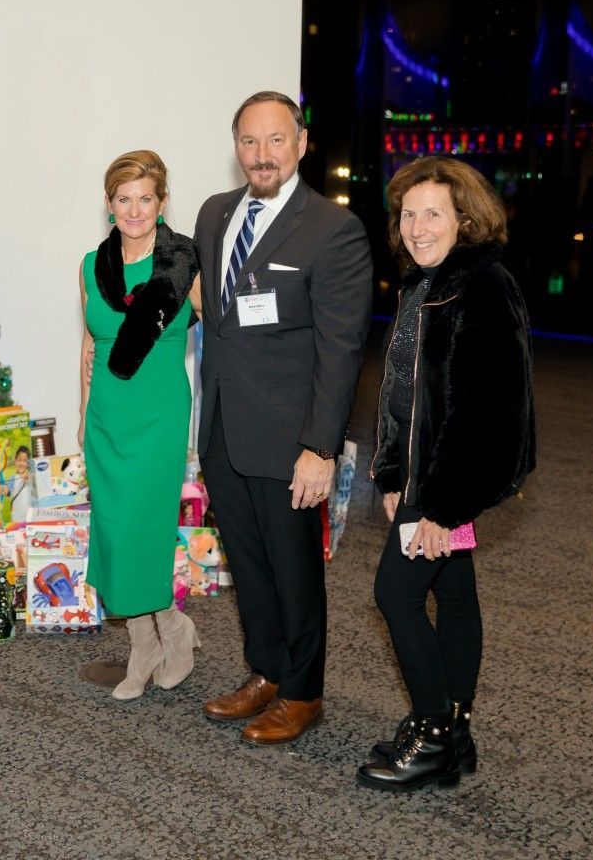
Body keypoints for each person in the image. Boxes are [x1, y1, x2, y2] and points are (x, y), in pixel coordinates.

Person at [195, 91, 371, 743]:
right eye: (248, 141)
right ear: (234, 146)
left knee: (295, 569)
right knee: (248, 562)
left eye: (275, 140)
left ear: (301, 142)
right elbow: (213, 315)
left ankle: (303, 691)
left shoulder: (333, 229)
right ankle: (265, 671)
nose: (261, 154)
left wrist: (320, 446)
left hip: (289, 438)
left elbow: (342, 346)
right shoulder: (215, 215)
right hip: (222, 429)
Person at [357, 156, 535, 790]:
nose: (416, 227)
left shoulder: (482, 285)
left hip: (445, 484)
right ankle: (456, 737)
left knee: (394, 595)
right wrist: (389, 476)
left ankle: (432, 730)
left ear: (466, 218)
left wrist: (442, 506)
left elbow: (489, 413)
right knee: (454, 592)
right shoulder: (423, 282)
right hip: (421, 478)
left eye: (433, 213)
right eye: (408, 215)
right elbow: (405, 396)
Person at [79, 149, 201, 701]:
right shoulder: (90, 265)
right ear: (110, 204)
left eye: (144, 198)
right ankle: (148, 639)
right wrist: (83, 415)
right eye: (123, 199)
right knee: (111, 527)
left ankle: (168, 632)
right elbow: (87, 346)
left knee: (143, 527)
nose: (134, 209)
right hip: (107, 414)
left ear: (161, 202)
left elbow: (221, 338)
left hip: (158, 415)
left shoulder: (184, 266)